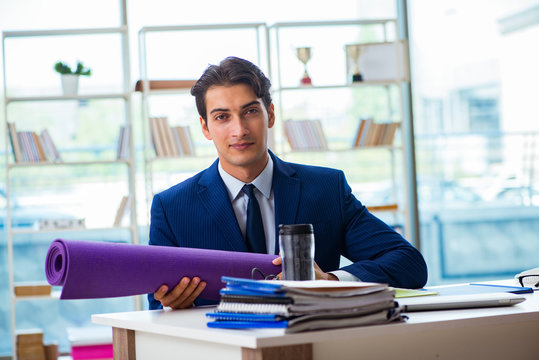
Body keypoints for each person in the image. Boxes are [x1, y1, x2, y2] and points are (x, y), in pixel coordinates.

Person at [148, 56, 427, 310]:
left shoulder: (326, 189)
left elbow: (409, 264)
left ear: (270, 114)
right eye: (222, 117)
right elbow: (155, 305)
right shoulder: (172, 207)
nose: (239, 130)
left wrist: (331, 280)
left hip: (313, 342)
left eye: (250, 112)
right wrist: (170, 305)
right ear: (205, 127)